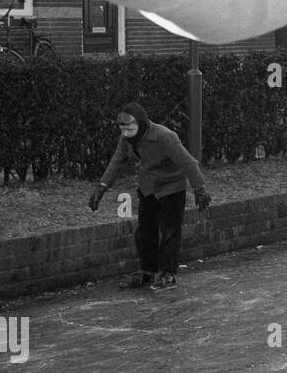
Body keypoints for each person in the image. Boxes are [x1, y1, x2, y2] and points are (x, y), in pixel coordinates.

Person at [88, 102, 211, 291]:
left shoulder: (164, 136)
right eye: (123, 128)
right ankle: (147, 270)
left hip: (171, 188)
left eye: (130, 128)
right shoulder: (127, 139)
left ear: (142, 124)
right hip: (148, 188)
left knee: (169, 230)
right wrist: (101, 187)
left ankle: (168, 273)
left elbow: (188, 163)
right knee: (145, 231)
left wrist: (199, 189)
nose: (126, 132)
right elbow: (116, 161)